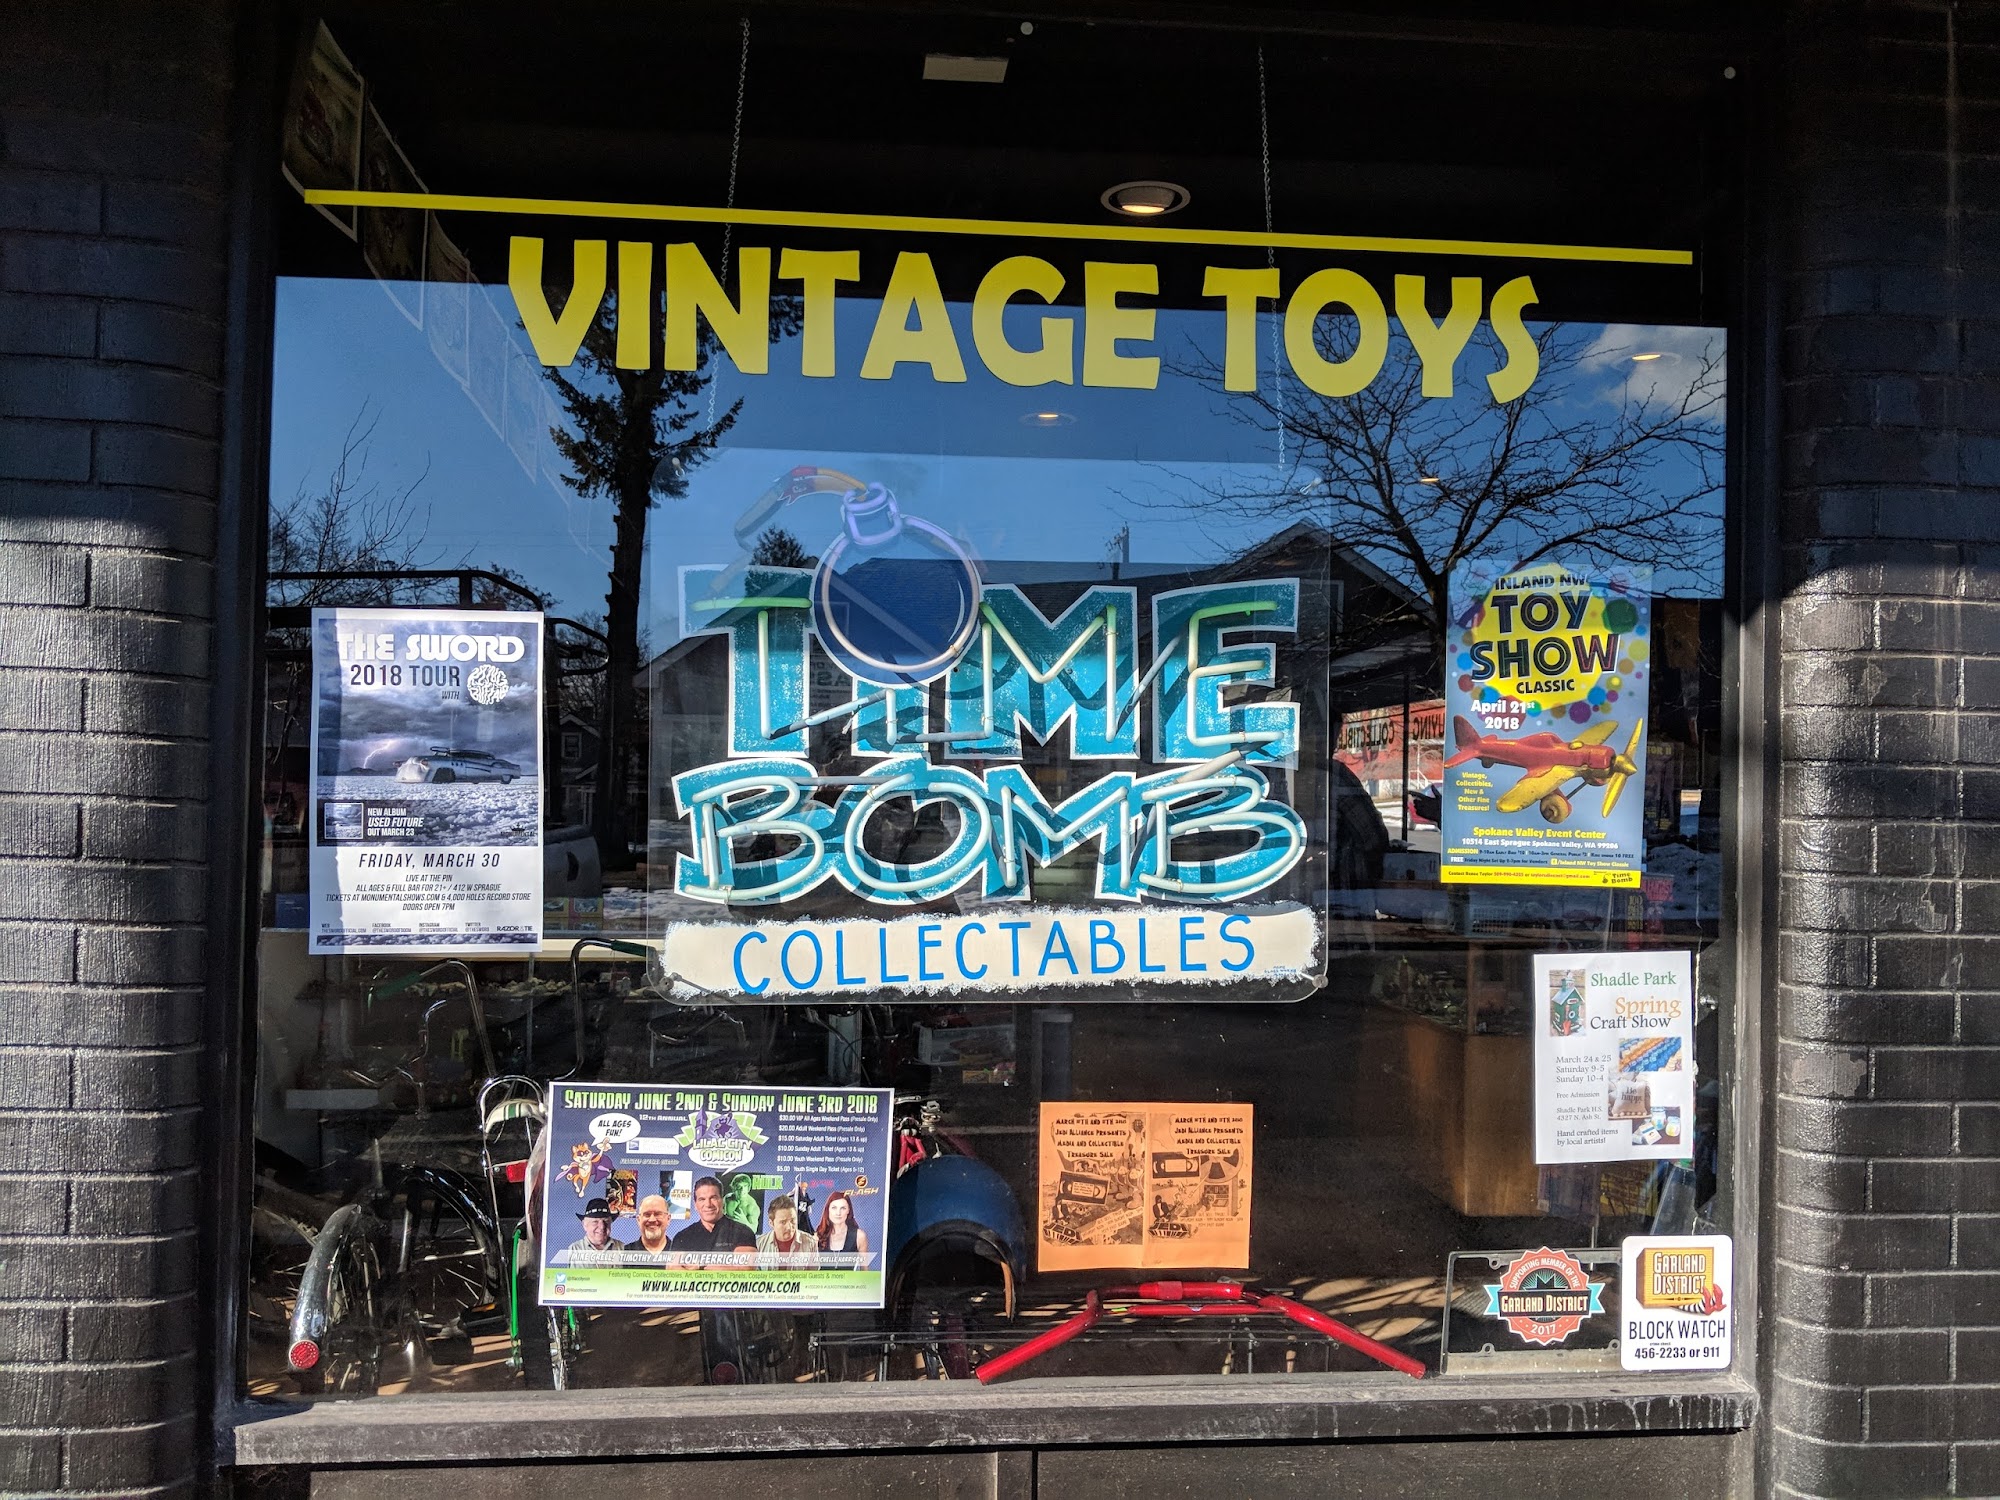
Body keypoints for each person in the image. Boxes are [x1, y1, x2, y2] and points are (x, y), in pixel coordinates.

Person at [669, 1175, 756, 1262]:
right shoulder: (682, 1237)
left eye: (713, 1198)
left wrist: (697, 1265)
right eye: (702, 1199)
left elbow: (745, 1266)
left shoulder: (743, 1232)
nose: (708, 1204)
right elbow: (673, 1268)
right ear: (695, 1205)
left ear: (722, 1201)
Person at [553, 1197, 627, 1265]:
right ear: (584, 1225)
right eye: (595, 1222)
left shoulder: (623, 1249)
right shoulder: (574, 1249)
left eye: (606, 1221)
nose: (602, 1226)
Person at [755, 1195, 820, 1267]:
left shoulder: (810, 1243)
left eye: (792, 1220)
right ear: (771, 1223)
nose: (789, 1227)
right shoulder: (758, 1244)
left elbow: (814, 1273)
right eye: (783, 1222)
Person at [815, 1191, 870, 1261]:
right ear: (828, 1210)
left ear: (848, 1211)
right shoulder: (816, 1237)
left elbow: (865, 1267)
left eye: (843, 1208)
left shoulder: (859, 1236)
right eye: (834, 1208)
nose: (838, 1213)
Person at [627, 1192, 673, 1262]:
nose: (652, 1220)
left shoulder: (680, 1253)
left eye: (658, 1214)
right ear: (638, 1220)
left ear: (668, 1219)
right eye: (647, 1215)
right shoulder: (624, 1252)